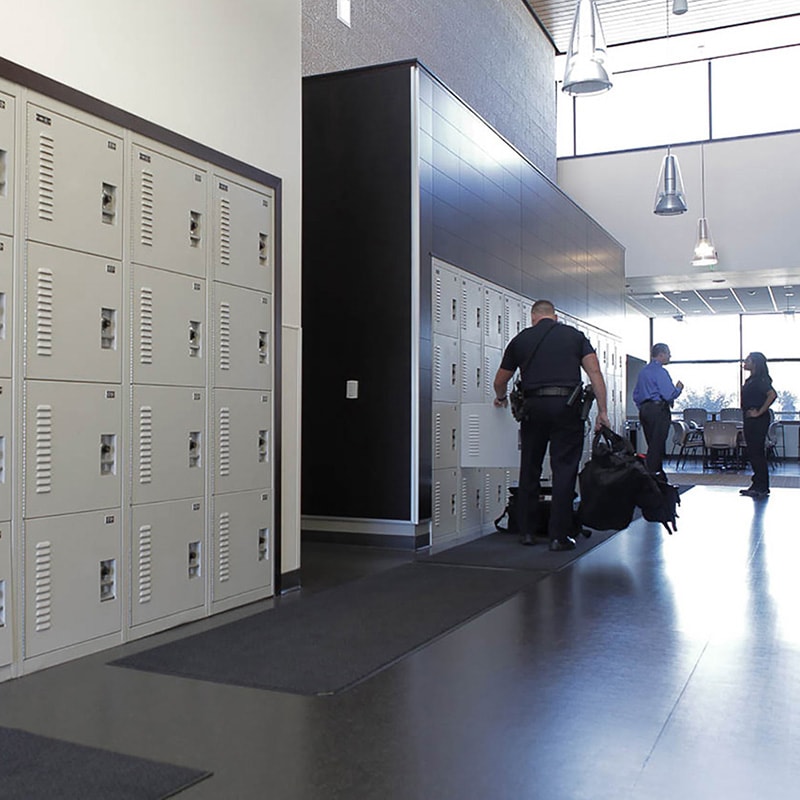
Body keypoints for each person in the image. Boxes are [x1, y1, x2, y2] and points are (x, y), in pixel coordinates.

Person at [493, 300, 610, 552]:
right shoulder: (575, 336)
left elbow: (500, 380)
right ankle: (558, 536)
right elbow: (595, 373)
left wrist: (501, 398)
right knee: (564, 469)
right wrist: (602, 411)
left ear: (533, 318)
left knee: (530, 467)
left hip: (533, 408)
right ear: (555, 317)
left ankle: (527, 532)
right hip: (567, 407)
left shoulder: (521, 339)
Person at [632, 343, 683, 474]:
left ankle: (658, 474)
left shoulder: (644, 371)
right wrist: (679, 389)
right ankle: (651, 475)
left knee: (652, 443)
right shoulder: (660, 371)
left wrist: (643, 408)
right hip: (658, 410)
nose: (670, 357)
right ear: (661, 355)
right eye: (668, 354)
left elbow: (636, 395)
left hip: (645, 410)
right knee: (657, 444)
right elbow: (668, 394)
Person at [739, 351, 777, 499]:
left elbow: (772, 395)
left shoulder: (761, 380)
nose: (744, 362)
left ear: (754, 363)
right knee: (753, 453)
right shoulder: (751, 380)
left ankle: (762, 486)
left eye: (747, 360)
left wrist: (759, 412)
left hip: (758, 419)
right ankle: (757, 484)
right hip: (750, 418)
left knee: (757, 453)